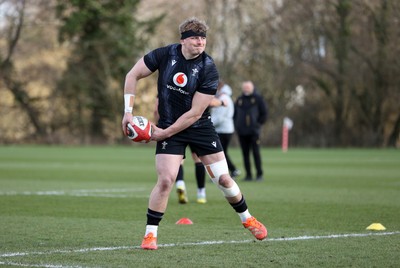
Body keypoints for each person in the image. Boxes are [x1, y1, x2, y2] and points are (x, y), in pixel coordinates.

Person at [122, 17, 267, 250]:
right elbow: (132, 75)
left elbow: (195, 113)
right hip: (170, 125)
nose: (200, 43)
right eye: (195, 38)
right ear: (183, 41)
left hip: (199, 127)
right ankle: (150, 235)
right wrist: (128, 113)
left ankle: (247, 218)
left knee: (224, 179)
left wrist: (162, 133)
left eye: (203, 38)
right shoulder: (164, 54)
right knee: (166, 179)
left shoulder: (209, 68)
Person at [234, 81, 268, 181]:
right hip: (242, 132)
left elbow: (264, 114)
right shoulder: (239, 100)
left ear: (252, 88)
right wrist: (237, 126)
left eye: (248, 87)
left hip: (254, 132)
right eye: (245, 87)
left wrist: (257, 125)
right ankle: (248, 175)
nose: (246, 89)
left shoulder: (258, 99)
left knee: (256, 153)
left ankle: (259, 174)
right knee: (245, 154)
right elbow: (234, 115)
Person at [211, 81, 240, 178]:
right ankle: (231, 171)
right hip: (224, 130)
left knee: (219, 153)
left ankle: (228, 171)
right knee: (222, 152)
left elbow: (220, 117)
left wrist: (209, 124)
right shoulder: (223, 97)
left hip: (223, 130)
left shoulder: (223, 98)